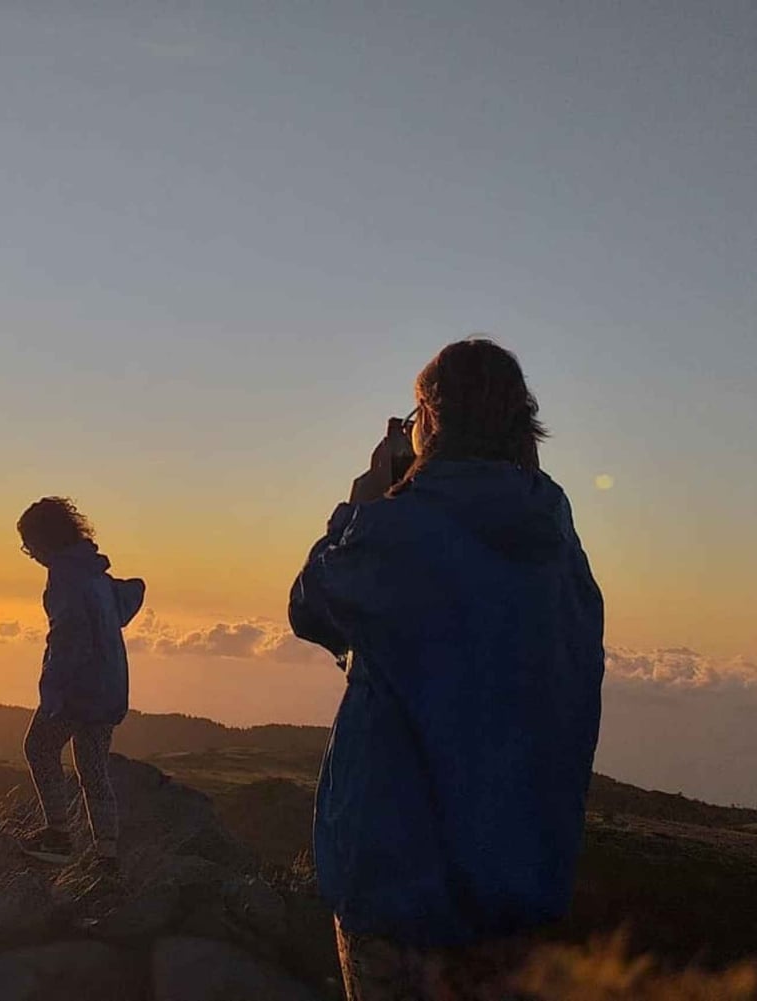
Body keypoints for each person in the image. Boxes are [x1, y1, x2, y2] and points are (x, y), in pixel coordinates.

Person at [288, 338, 605, 1000]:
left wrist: (362, 505)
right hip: (517, 887)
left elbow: (310, 607)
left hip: (398, 885)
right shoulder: (555, 540)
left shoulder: (395, 530)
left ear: (428, 420)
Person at [17, 496, 145, 872]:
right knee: (93, 767)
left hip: (78, 687)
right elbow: (128, 597)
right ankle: (107, 855)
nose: (31, 553)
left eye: (31, 545)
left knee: (38, 747)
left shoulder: (65, 577)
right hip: (110, 687)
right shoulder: (94, 574)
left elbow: (68, 638)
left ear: (46, 540)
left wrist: (53, 692)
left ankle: (58, 836)